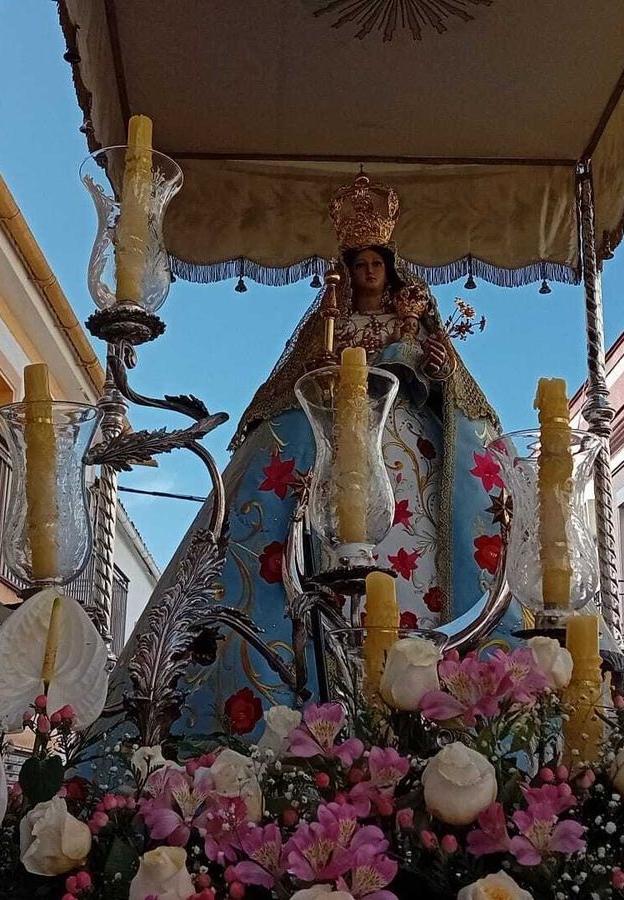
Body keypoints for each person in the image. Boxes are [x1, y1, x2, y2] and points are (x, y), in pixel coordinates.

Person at [167, 174, 516, 730]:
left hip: (406, 440)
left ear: (390, 267)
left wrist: (433, 364)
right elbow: (304, 373)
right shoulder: (333, 322)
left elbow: (444, 375)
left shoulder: (411, 318)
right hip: (335, 438)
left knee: (426, 530)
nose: (369, 272)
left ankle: (427, 667)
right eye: (360, 265)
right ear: (349, 272)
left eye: (377, 263)